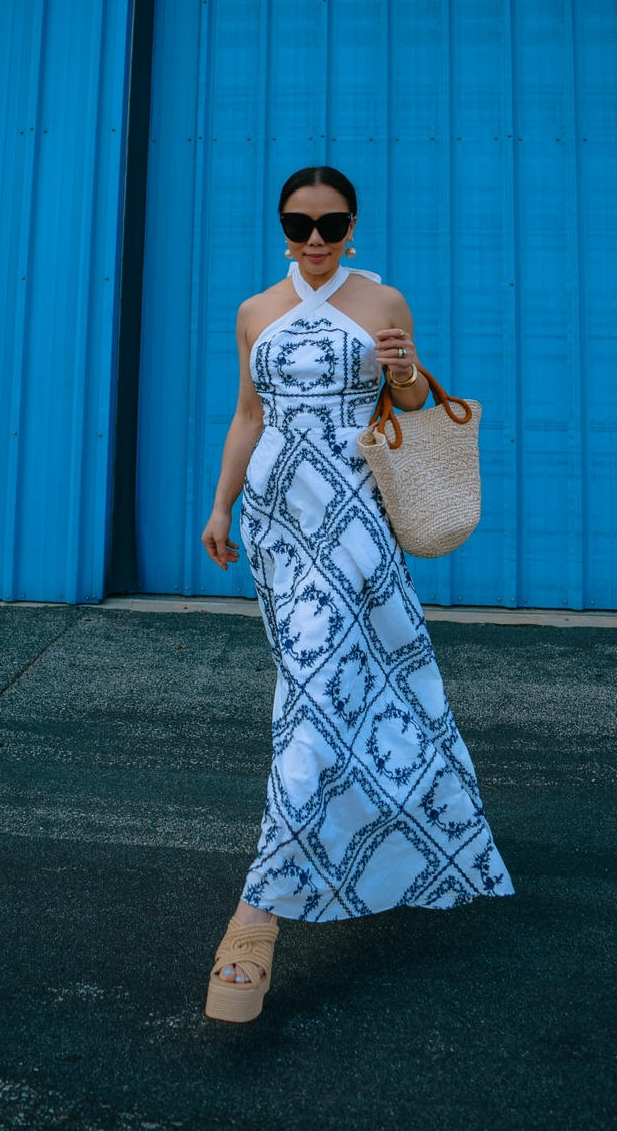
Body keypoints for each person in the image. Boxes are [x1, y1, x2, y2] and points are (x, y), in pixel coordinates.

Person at [200, 166, 514, 1024]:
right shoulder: (255, 312)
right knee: (315, 696)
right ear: (281, 225)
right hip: (276, 523)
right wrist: (223, 504)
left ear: (352, 225)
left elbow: (411, 406)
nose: (314, 240)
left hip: (354, 524)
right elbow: (248, 414)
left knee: (319, 700)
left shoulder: (383, 304)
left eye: (331, 224)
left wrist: (409, 372)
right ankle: (320, 862)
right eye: (299, 224)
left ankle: (254, 920)